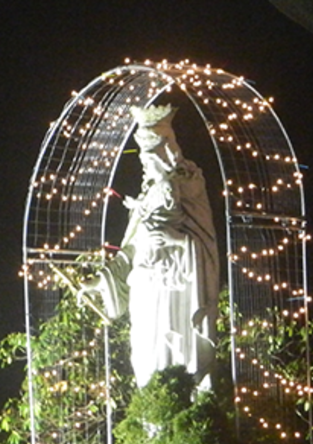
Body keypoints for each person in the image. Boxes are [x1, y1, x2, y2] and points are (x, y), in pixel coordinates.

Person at [81, 104, 219, 388]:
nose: (147, 161)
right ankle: (151, 416)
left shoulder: (191, 185)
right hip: (146, 288)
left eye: (152, 153)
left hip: (178, 290)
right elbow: (132, 246)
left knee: (176, 354)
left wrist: (175, 240)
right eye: (144, 156)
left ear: (167, 149)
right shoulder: (146, 195)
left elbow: (206, 245)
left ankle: (183, 403)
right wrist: (102, 280)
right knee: (145, 356)